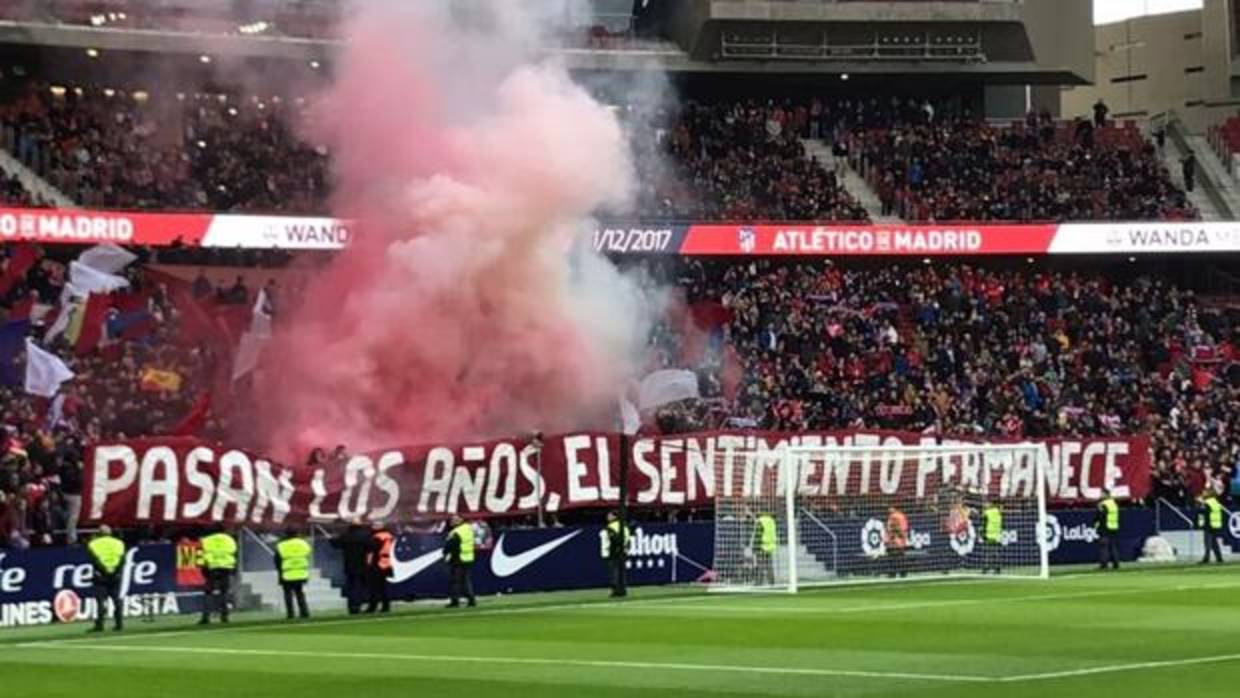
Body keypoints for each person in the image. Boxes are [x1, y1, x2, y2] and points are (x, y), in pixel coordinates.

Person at [86, 525, 126, 633]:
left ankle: (100, 625)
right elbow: (122, 560)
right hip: (115, 576)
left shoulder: (93, 544)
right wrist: (115, 571)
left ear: (99, 533)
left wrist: (104, 570)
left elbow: (94, 560)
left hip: (101, 576)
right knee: (116, 600)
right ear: (110, 533)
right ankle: (119, 624)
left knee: (100, 601)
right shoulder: (119, 543)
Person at [331, 519, 375, 614]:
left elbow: (335, 544)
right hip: (362, 564)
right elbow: (371, 549)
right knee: (361, 586)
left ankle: (352, 606)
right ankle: (359, 604)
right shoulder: (365, 535)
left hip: (349, 564)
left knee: (351, 586)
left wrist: (331, 538)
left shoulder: (346, 535)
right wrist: (368, 563)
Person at [199, 526, 238, 624]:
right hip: (226, 567)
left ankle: (206, 617)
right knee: (224, 592)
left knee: (208, 593)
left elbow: (201, 554)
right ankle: (224, 616)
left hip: (211, 567)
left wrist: (203, 568)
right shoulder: (229, 540)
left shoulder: (206, 540)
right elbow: (234, 552)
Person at [274, 528, 312, 620]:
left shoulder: (281, 545)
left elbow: (277, 560)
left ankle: (290, 614)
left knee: (288, 594)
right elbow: (308, 554)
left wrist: (280, 570)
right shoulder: (303, 543)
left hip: (287, 573)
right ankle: (304, 612)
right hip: (301, 572)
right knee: (300, 593)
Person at [442, 515, 476, 608]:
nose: (451, 522)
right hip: (468, 557)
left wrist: (445, 553)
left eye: (453, 520)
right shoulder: (468, 529)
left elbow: (450, 546)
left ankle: (455, 601)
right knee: (465, 580)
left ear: (458, 521)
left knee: (455, 581)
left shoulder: (456, 532)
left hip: (458, 558)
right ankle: (471, 599)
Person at [365, 522, 394, 613]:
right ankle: (386, 606)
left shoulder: (376, 537)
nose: (372, 527)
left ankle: (373, 606)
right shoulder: (389, 536)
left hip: (377, 563)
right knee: (382, 587)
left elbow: (371, 551)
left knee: (374, 587)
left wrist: (368, 563)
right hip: (387, 563)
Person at [603, 510, 631, 597]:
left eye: (609, 515)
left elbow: (615, 539)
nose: (607, 517)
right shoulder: (625, 525)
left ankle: (615, 590)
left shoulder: (611, 526)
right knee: (622, 571)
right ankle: (623, 589)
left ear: (614, 516)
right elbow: (629, 538)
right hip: (624, 550)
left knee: (614, 571)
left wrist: (617, 548)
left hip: (615, 551)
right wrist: (626, 547)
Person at [1198, 488, 1226, 565]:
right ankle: (1219, 558)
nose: (1203, 493)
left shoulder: (1206, 503)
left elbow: (1202, 514)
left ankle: (1206, 558)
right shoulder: (1215, 502)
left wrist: (1200, 524)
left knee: (1207, 542)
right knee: (1214, 542)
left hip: (1208, 524)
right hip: (1216, 524)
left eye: (1205, 492)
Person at [1095, 489, 1121, 570]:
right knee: (1112, 546)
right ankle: (1116, 564)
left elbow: (1100, 516)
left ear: (1105, 494)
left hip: (1105, 527)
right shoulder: (1114, 503)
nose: (1100, 495)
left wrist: (1096, 523)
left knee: (1104, 546)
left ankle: (1104, 564)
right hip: (1114, 527)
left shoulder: (1103, 504)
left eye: (1102, 494)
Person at [751, 510, 777, 586]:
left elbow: (758, 535)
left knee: (760, 565)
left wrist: (754, 547)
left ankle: (759, 582)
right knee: (769, 565)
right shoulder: (772, 521)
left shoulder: (760, 521)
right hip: (770, 546)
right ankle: (772, 581)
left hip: (761, 546)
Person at [885, 505, 909, 578]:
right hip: (901, 540)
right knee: (900, 557)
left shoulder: (894, 516)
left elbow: (894, 527)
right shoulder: (902, 516)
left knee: (893, 558)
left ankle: (893, 573)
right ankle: (903, 573)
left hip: (895, 540)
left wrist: (893, 537)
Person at [981, 499, 1003, 574]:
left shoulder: (988, 512)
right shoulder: (998, 512)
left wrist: (983, 509)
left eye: (987, 503)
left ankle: (986, 568)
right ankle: (997, 568)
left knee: (988, 552)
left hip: (990, 534)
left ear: (991, 504)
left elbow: (982, 516)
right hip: (998, 534)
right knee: (995, 552)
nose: (986, 504)